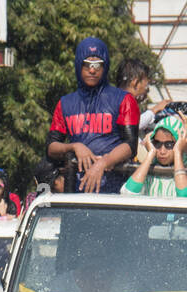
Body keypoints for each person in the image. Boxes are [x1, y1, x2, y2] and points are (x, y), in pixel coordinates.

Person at [46, 37, 138, 194]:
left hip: (114, 186)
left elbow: (131, 145)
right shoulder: (65, 103)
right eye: (87, 64)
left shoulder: (124, 99)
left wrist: (104, 163)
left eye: (97, 65)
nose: (92, 70)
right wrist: (74, 146)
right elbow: (51, 147)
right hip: (76, 187)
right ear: (78, 65)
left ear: (105, 66)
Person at [121, 114, 187, 199]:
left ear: (180, 143)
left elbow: (184, 195)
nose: (162, 151)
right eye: (157, 143)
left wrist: (178, 152)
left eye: (169, 145)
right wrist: (151, 153)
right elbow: (129, 193)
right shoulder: (147, 169)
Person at [116, 58, 168, 133]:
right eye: (146, 84)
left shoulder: (113, 98)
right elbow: (130, 126)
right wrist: (154, 110)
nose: (146, 89)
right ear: (135, 82)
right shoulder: (125, 102)